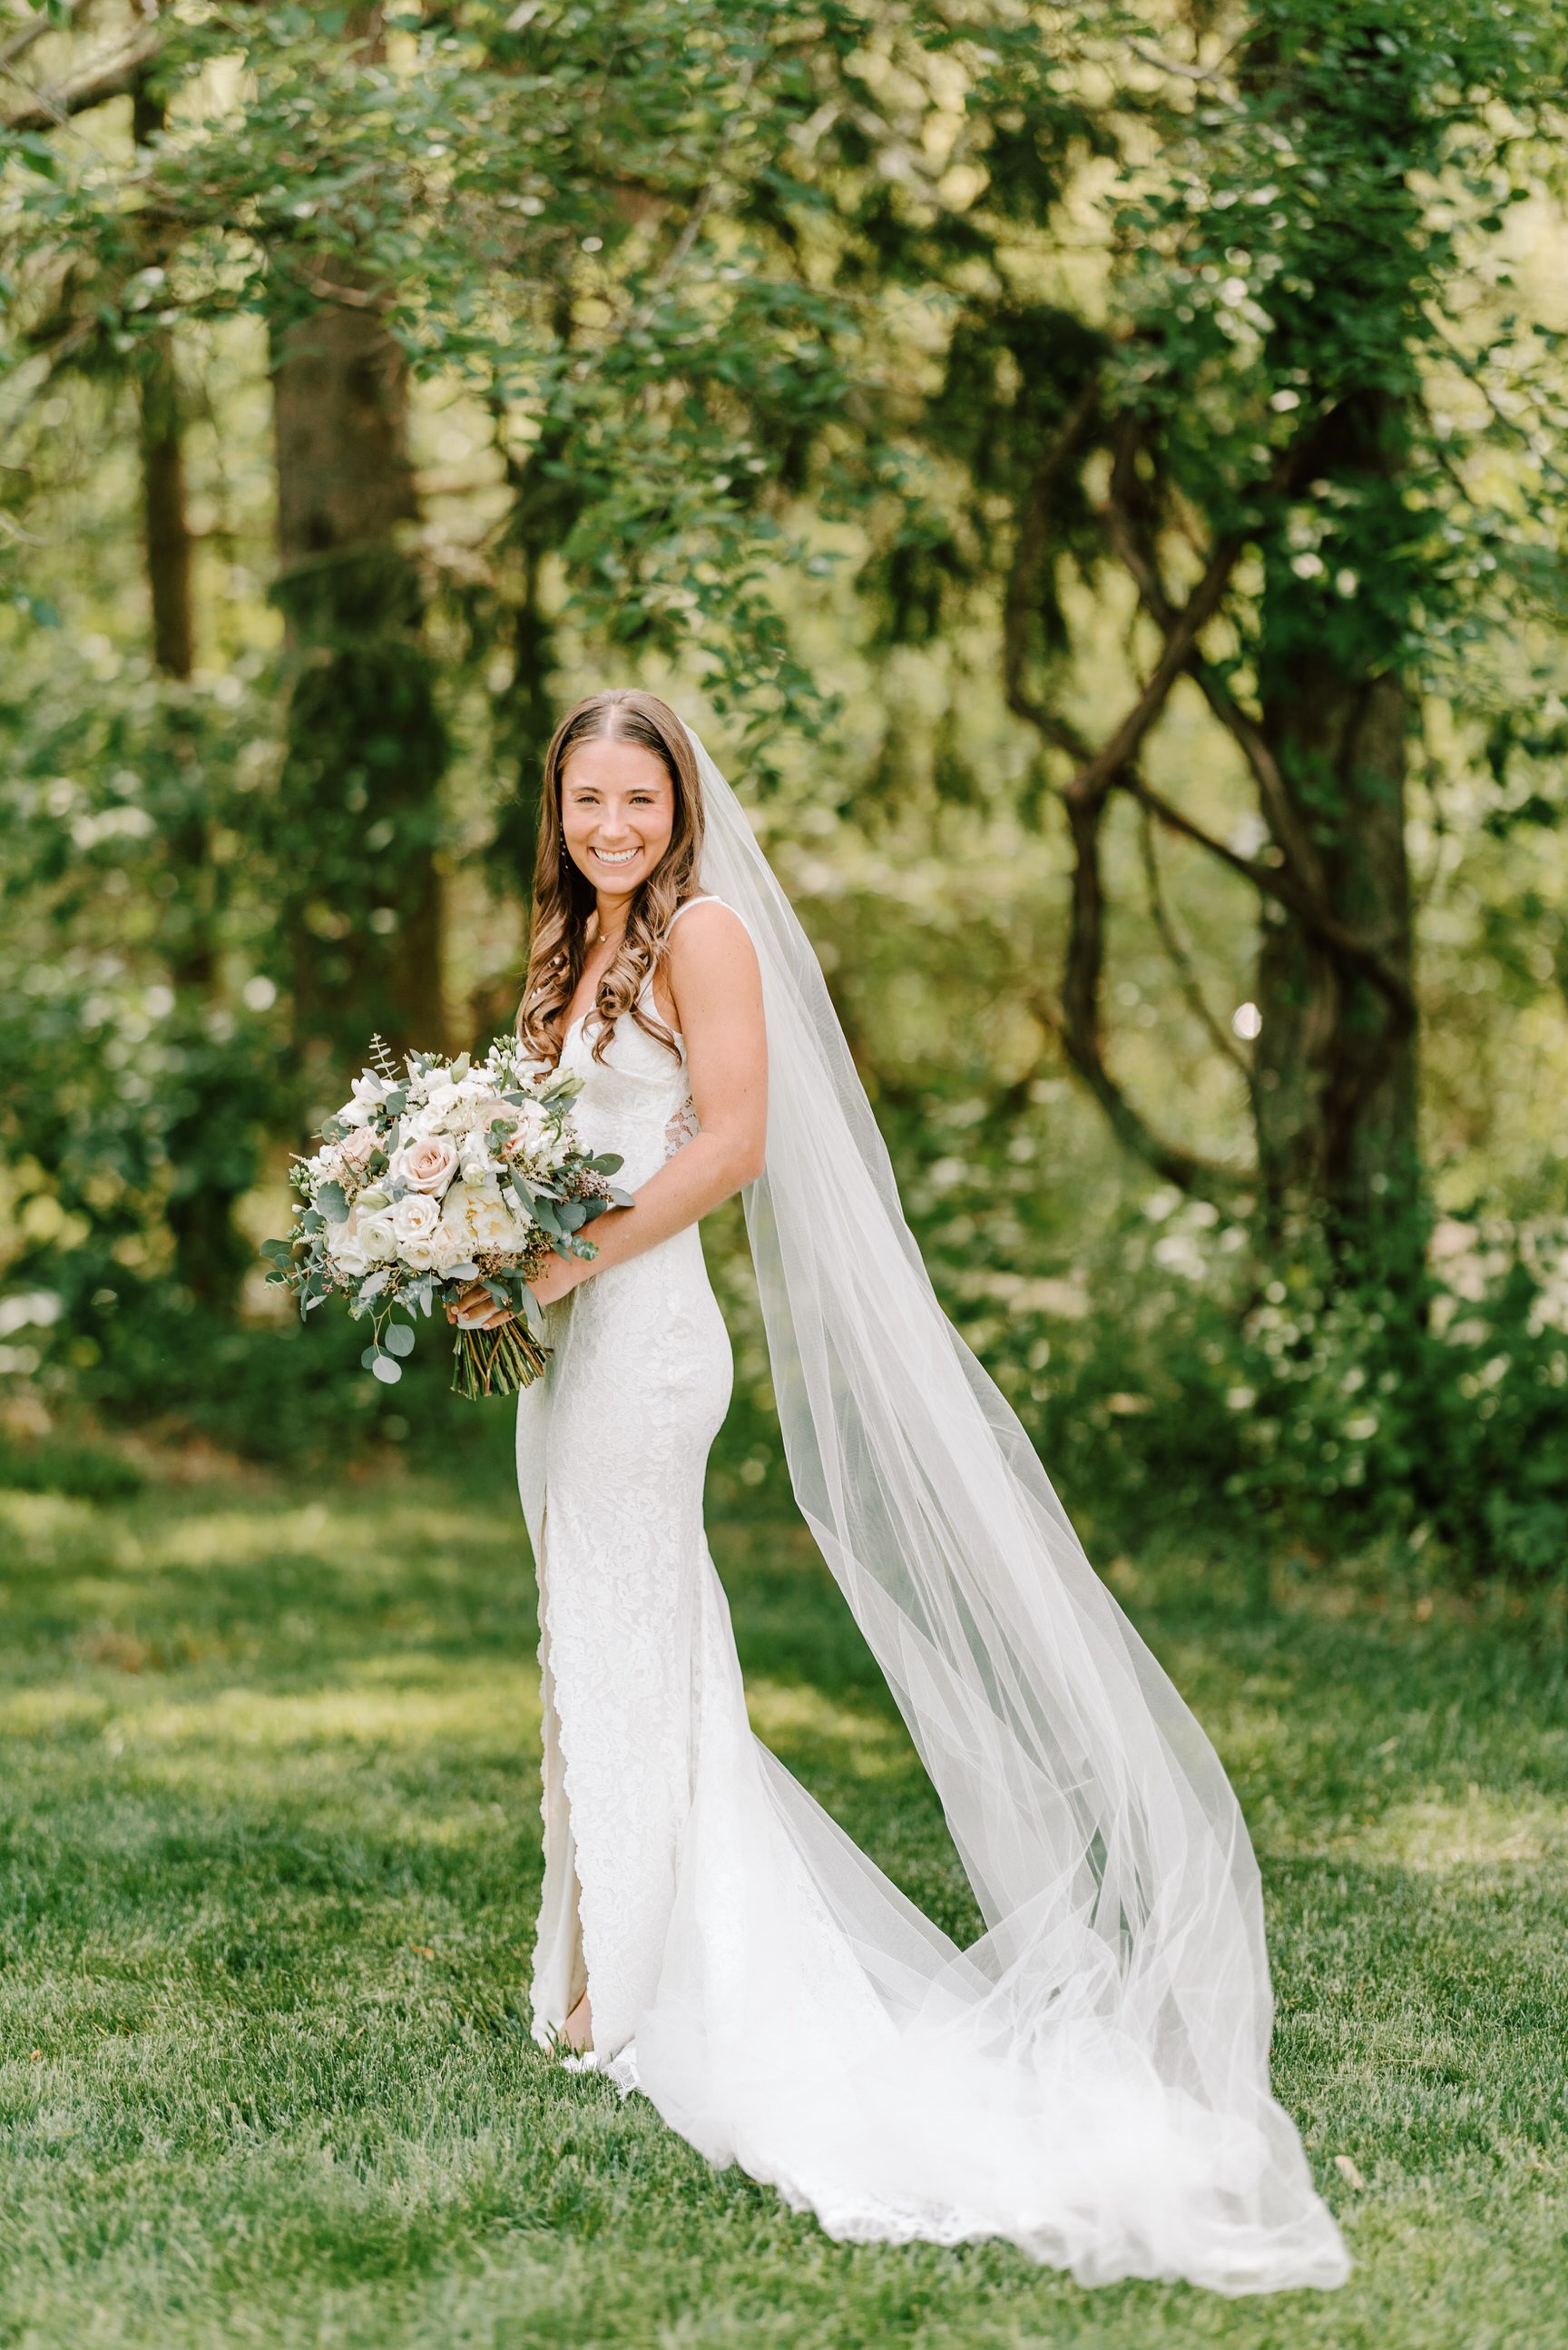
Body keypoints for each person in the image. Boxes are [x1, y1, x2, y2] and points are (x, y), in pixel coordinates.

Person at [452, 687, 1349, 2294]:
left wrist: (559, 1258)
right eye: (587, 802)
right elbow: (552, 1159)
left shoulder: (703, 937)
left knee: (638, 1650)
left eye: (637, 803)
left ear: (677, 809)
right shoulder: (569, 949)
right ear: (557, 810)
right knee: (586, 1648)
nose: (612, 828)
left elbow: (729, 1144)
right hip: (569, 1341)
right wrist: (473, 1248)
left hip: (647, 1348)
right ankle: (593, 1968)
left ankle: (641, 1987)